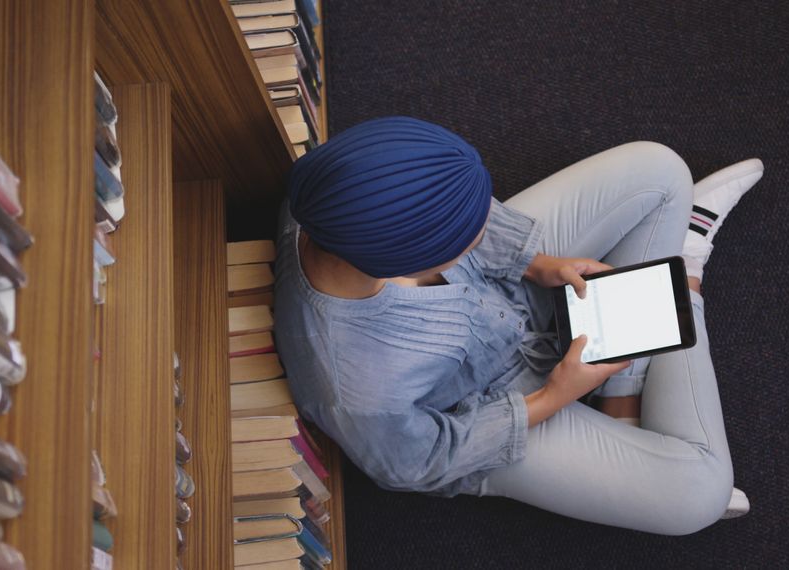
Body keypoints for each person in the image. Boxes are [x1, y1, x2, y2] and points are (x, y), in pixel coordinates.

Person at [273, 116, 763, 535]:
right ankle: (687, 270)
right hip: (493, 405)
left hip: (500, 296)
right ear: (408, 260)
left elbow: (460, 212)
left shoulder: (335, 199)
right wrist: (555, 395)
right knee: (698, 495)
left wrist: (538, 263)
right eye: (466, 236)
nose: (484, 228)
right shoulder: (356, 390)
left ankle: (621, 396)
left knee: (659, 169)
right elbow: (417, 463)